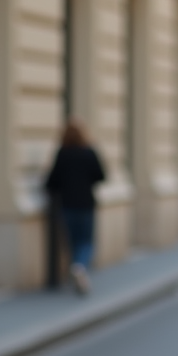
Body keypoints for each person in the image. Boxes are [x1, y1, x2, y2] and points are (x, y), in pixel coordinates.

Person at [44, 119, 106, 295]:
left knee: (72, 241)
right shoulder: (89, 153)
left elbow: (51, 182)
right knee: (86, 241)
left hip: (67, 204)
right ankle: (80, 267)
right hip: (86, 204)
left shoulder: (62, 154)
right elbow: (101, 175)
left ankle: (76, 267)